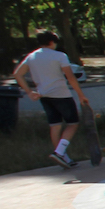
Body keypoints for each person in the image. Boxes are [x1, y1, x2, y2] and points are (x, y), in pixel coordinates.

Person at [13, 31, 91, 168]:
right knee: (72, 123)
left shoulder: (31, 57)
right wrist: (80, 94)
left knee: (55, 125)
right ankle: (59, 152)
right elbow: (70, 77)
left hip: (44, 96)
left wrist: (30, 92)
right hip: (61, 94)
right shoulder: (60, 56)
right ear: (51, 42)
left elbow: (18, 74)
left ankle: (63, 157)